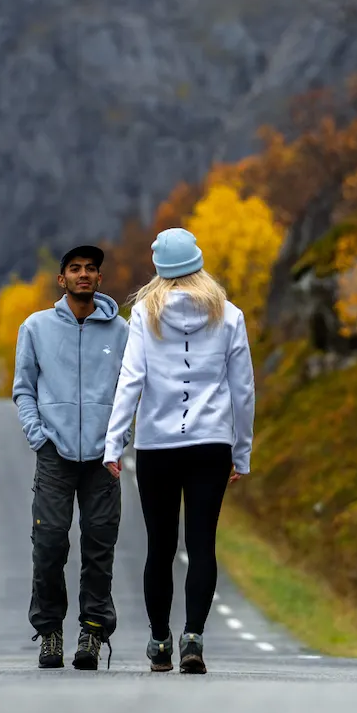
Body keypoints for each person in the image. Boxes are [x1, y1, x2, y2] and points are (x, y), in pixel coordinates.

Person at [103, 227, 255, 675]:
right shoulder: (229, 316)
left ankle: (159, 641)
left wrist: (115, 443)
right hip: (211, 443)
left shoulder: (144, 316)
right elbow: (242, 390)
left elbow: (130, 380)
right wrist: (241, 452)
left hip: (158, 445)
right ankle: (193, 637)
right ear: (198, 262)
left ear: (159, 270)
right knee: (202, 543)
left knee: (160, 546)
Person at [13, 245, 129, 670]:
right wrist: (38, 436)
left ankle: (93, 634)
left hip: (103, 459)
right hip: (54, 456)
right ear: (61, 280)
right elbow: (23, 387)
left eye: (91, 269)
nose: (84, 274)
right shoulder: (36, 327)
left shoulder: (122, 332)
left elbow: (129, 391)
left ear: (100, 280)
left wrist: (120, 439)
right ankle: (49, 633)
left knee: (99, 546)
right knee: (48, 544)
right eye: (75, 269)